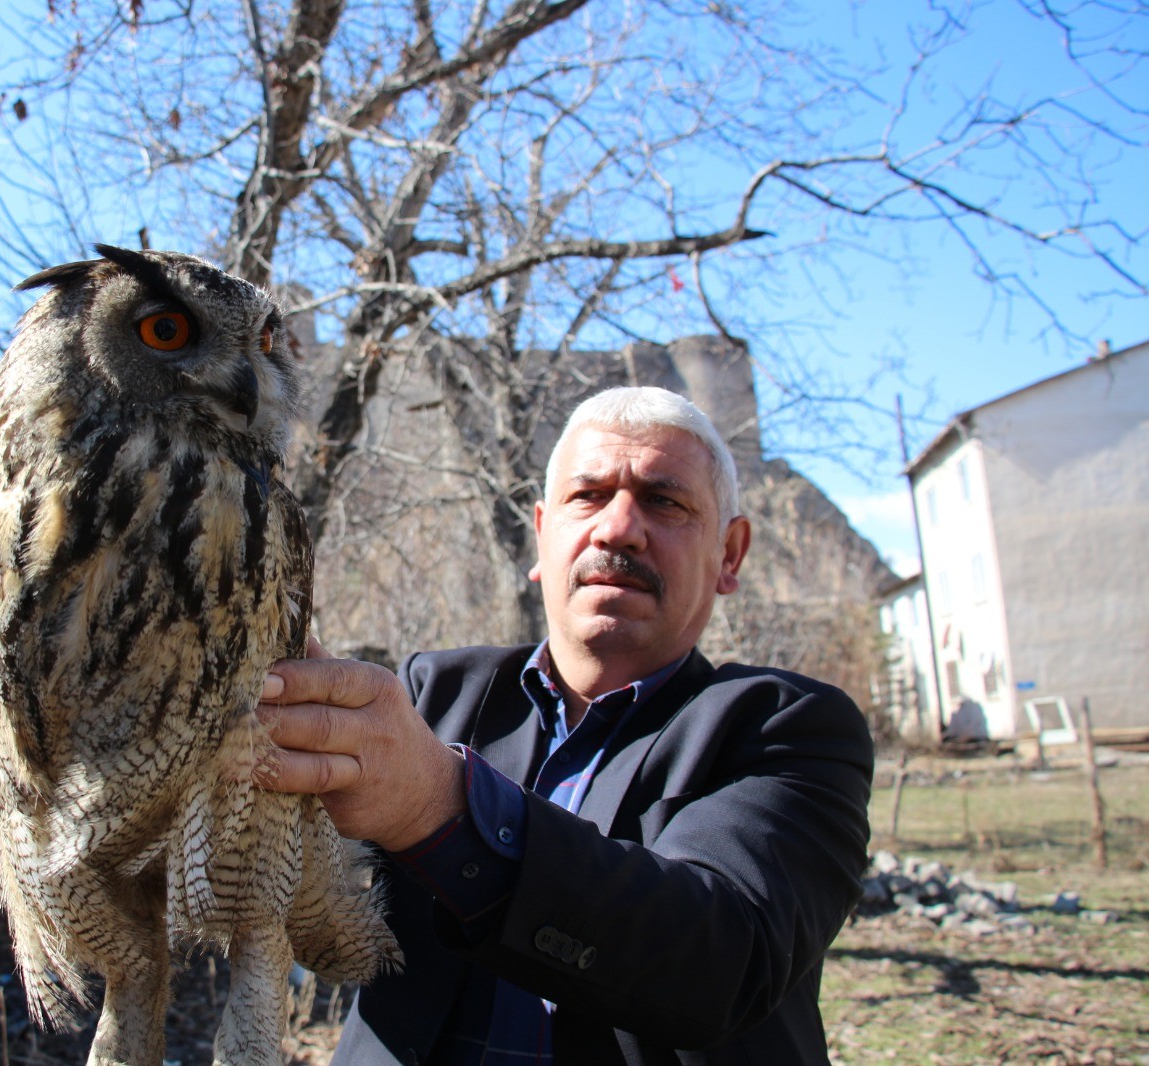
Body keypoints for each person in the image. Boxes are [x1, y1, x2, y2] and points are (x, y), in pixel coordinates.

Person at [257, 386, 874, 1065]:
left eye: (665, 500)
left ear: (730, 554)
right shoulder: (431, 695)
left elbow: (723, 959)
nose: (617, 528)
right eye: (588, 497)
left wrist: (439, 806)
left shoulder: (786, 728)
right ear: (542, 534)